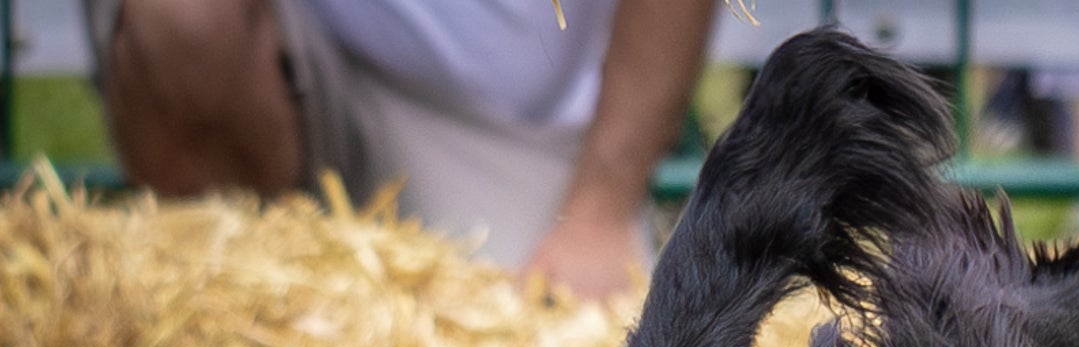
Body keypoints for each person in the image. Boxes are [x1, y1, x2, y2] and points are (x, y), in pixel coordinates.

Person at [87, 0, 715, 298]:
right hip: (299, 43)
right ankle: (228, 304)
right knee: (185, 21)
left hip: (514, 128)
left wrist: (598, 211)